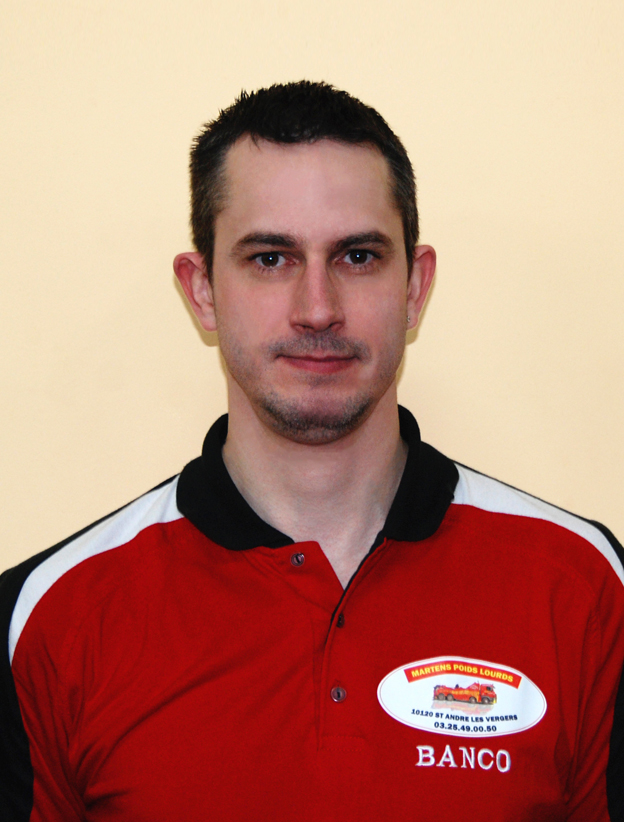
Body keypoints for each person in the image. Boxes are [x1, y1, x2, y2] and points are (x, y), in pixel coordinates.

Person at [1, 81, 622, 822]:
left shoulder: (583, 587)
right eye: (271, 259)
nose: (318, 309)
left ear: (415, 286)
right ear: (202, 291)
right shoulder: (51, 615)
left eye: (358, 256)